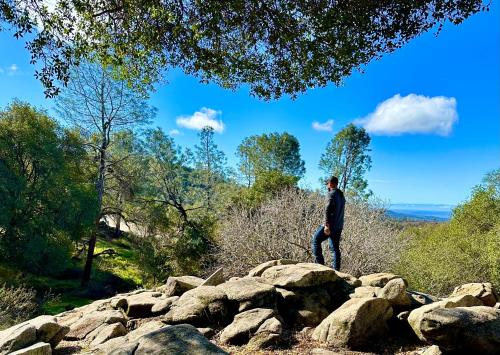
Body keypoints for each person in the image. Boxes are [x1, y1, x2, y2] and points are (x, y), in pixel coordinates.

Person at [311, 176, 345, 270]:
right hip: (339, 225)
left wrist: (326, 225)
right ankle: (336, 271)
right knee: (335, 249)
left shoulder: (331, 194)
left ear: (330, 183)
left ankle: (320, 266)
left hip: (330, 225)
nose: (327, 185)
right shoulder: (341, 195)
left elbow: (327, 210)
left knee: (315, 240)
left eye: (327, 183)